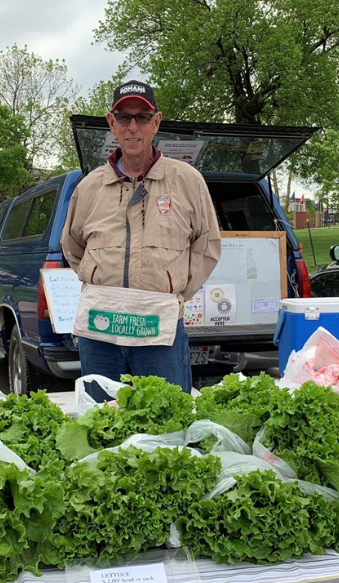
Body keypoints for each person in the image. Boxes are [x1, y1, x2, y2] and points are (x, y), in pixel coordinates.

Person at [61, 80, 221, 400]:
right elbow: (73, 245)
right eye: (123, 118)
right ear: (112, 124)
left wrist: (173, 290)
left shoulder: (187, 181)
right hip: (101, 325)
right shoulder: (89, 187)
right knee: (100, 421)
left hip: (157, 326)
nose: (132, 127)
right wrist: (97, 275)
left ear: (156, 123)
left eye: (142, 118)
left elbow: (207, 244)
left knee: (165, 422)